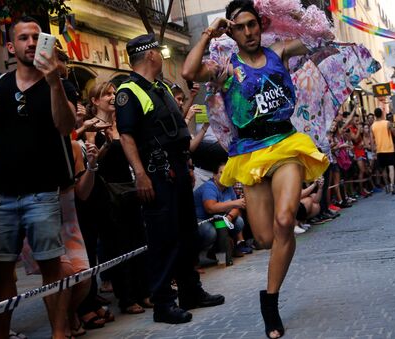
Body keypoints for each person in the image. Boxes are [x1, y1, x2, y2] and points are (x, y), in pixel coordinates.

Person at [182, 1, 329, 337]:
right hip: (248, 152)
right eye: (240, 27)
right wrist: (208, 33)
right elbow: (189, 73)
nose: (248, 32)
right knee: (265, 237)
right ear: (230, 31)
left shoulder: (279, 51)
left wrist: (286, 11)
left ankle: (270, 300)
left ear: (260, 25)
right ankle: (292, 222)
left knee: (284, 220)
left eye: (253, 24)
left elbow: (321, 35)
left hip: (286, 142)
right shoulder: (224, 66)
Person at [0, 16, 77, 338]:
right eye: (23, 38)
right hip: (1, 195)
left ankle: (59, 333)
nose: (30, 43)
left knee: (51, 270)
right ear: (11, 46)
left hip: (43, 193)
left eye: (35, 37)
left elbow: (64, 125)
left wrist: (54, 81)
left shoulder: (56, 82)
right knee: (1, 274)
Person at [116, 33, 225, 324]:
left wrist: (188, 165)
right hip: (155, 173)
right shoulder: (128, 91)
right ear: (150, 55)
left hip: (178, 171)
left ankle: (191, 291)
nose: (162, 58)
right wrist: (140, 174)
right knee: (163, 239)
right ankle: (164, 303)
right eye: (159, 53)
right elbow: (126, 136)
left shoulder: (161, 87)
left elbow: (176, 129)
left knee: (186, 234)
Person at [193, 163, 250, 266]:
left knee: (238, 222)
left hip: (218, 219)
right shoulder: (210, 187)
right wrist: (234, 203)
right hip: (200, 220)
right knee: (210, 232)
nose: (224, 176)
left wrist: (230, 217)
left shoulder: (228, 187)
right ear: (214, 175)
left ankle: (226, 252)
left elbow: (237, 208)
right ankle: (201, 256)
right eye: (221, 172)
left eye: (227, 173)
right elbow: (210, 208)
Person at [371, 108, 395, 195]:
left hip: (379, 150)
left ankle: (386, 185)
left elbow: (372, 141)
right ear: (382, 114)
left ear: (375, 115)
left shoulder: (372, 126)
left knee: (383, 169)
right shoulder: (387, 123)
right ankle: (392, 185)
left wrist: (373, 152)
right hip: (389, 148)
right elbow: (394, 133)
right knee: (391, 167)